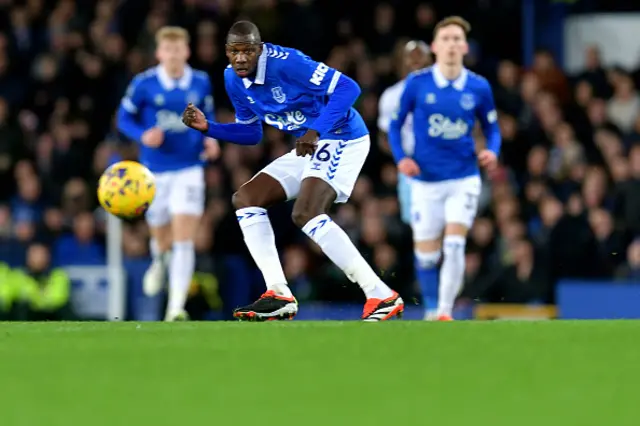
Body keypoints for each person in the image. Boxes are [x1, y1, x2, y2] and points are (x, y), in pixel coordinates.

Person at [182, 20, 404, 321]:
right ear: (226, 53)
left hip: (342, 136)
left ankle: (380, 294)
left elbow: (349, 88)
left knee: (306, 213)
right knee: (246, 199)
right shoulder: (232, 79)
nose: (241, 58)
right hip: (310, 143)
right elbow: (251, 133)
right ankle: (278, 292)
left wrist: (315, 130)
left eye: (248, 50)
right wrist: (209, 128)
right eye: (235, 51)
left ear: (260, 50)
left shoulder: (289, 64)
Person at [388, 16, 501, 321]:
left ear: (464, 46)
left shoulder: (478, 86)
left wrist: (492, 150)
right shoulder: (417, 83)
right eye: (446, 39)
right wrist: (401, 158)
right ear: (436, 47)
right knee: (427, 256)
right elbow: (394, 126)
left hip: (463, 178)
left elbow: (493, 129)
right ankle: (429, 308)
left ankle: (444, 312)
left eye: (456, 39)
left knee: (454, 244)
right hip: (425, 182)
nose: (452, 44)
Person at [117, 26, 220, 321]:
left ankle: (176, 308)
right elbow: (123, 117)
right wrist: (142, 135)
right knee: (161, 235)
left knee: (184, 238)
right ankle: (159, 260)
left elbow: (207, 117)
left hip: (189, 168)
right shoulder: (145, 83)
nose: (173, 56)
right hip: (154, 171)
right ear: (159, 53)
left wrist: (211, 139)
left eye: (178, 50)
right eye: (168, 50)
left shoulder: (200, 81)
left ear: (186, 51)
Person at [377, 40, 435, 318]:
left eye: (420, 60)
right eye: (410, 60)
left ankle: (441, 296)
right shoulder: (391, 96)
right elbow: (385, 136)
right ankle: (425, 299)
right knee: (420, 234)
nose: (415, 65)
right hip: (410, 175)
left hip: (441, 170)